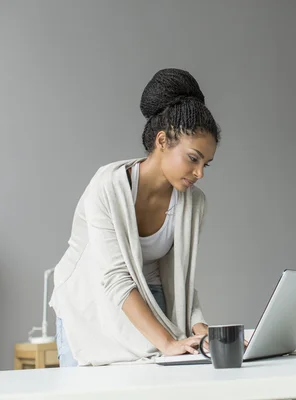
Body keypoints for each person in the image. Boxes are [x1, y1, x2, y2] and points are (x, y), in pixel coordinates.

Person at [49, 68, 220, 367]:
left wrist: (203, 331)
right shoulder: (107, 187)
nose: (200, 173)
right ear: (163, 141)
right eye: (193, 158)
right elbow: (115, 278)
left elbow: (181, 279)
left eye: (207, 163)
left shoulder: (193, 203)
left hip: (150, 303)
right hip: (91, 305)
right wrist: (167, 342)